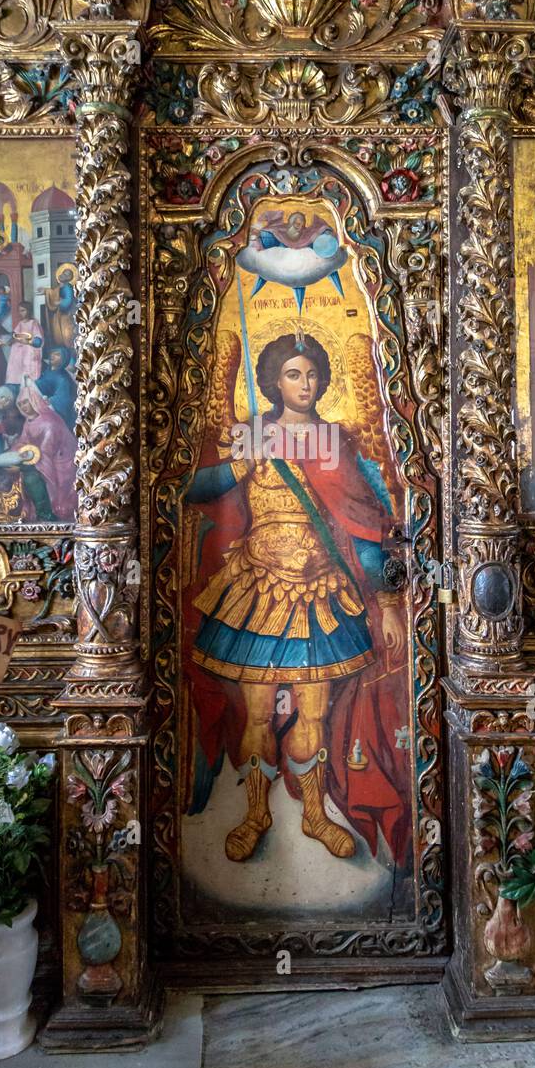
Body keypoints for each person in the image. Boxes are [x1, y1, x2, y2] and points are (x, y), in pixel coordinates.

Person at [183, 332, 410, 867]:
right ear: (273, 381)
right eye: (292, 374)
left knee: (315, 711)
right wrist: (241, 463)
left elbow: (365, 524)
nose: (304, 384)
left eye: (311, 374)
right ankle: (256, 813)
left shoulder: (335, 441)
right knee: (257, 715)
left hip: (320, 593)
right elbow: (192, 489)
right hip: (258, 592)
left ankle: (313, 814)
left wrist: (389, 601)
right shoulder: (252, 435)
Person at [15, 377, 76, 520]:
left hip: (61, 463)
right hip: (42, 458)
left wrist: (23, 461)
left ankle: (47, 515)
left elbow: (45, 451)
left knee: (32, 478)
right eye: (20, 404)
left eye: (26, 402)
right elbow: (23, 442)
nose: (23, 407)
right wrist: (15, 453)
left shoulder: (49, 421)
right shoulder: (29, 421)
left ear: (34, 400)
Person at [5, 302, 44, 385]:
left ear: (28, 311)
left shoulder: (33, 323)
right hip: (18, 350)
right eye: (20, 311)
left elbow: (38, 340)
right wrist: (10, 340)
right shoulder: (20, 323)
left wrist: (27, 342)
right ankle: (17, 383)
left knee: (27, 366)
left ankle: (27, 385)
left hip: (29, 348)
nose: (21, 313)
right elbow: (15, 335)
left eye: (23, 310)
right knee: (16, 365)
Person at [36, 347, 76, 428]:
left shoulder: (62, 379)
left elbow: (62, 400)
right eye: (52, 353)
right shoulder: (47, 372)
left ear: (64, 359)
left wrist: (49, 401)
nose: (52, 356)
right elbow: (42, 385)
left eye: (57, 354)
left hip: (57, 418)